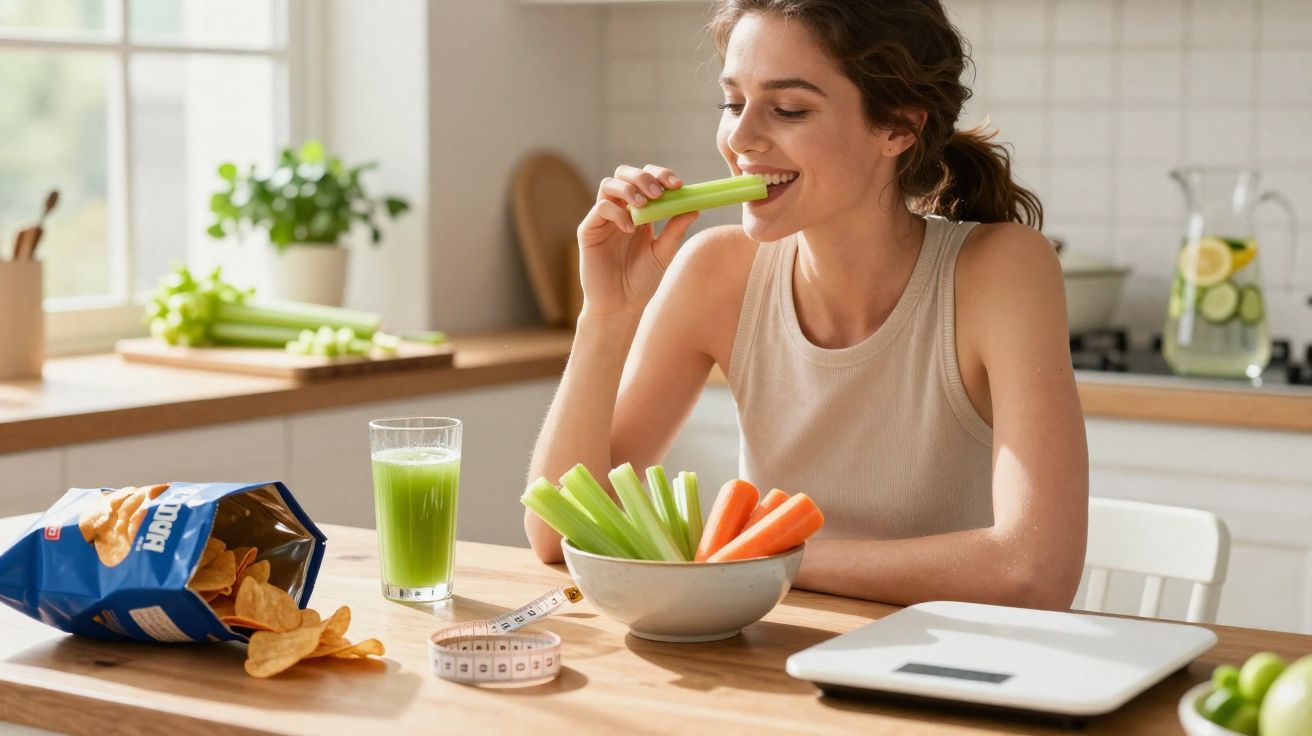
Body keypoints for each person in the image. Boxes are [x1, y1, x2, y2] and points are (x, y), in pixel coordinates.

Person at [525, 0, 1088, 610]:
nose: (740, 139)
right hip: (779, 661)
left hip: (954, 672)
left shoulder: (1002, 269)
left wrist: (753, 557)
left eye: (789, 109)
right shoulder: (718, 271)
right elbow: (557, 534)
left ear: (898, 127)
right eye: (733, 102)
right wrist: (606, 315)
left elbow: (1035, 572)